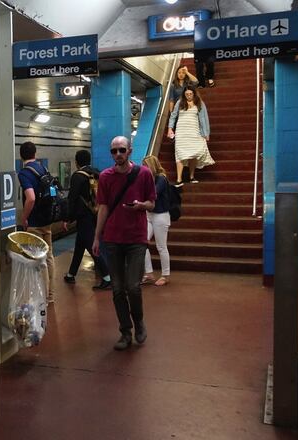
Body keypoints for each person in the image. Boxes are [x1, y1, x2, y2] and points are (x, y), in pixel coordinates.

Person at [92, 136, 156, 351]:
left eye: (121, 150)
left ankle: (138, 321)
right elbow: (103, 208)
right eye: (113, 151)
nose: (117, 154)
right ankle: (125, 331)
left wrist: (141, 206)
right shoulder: (105, 177)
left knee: (133, 287)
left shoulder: (144, 174)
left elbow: (152, 202)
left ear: (130, 151)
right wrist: (96, 237)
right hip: (113, 239)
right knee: (118, 289)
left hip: (136, 238)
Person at [64, 149, 111, 290]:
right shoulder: (97, 173)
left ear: (76, 162)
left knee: (91, 246)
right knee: (80, 245)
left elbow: (72, 199)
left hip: (83, 216)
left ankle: (107, 277)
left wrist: (67, 218)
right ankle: (71, 274)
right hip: (96, 214)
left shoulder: (77, 176)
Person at [17, 141, 57, 303]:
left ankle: (42, 296)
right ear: (35, 154)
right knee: (49, 257)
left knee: (38, 260)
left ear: (21, 156)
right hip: (47, 219)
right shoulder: (43, 168)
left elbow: (31, 198)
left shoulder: (24, 173)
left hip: (34, 222)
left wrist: (24, 217)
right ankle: (51, 295)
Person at [167, 84, 215, 187]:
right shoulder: (180, 103)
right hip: (181, 132)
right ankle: (179, 179)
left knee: (193, 154)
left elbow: (204, 119)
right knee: (179, 154)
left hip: (194, 131)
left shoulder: (199, 103)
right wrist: (170, 128)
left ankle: (191, 177)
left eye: (190, 94)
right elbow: (173, 116)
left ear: (194, 93)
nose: (188, 96)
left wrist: (206, 133)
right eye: (187, 94)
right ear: (184, 94)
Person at [141, 155, 172, 287]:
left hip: (161, 215)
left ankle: (165, 275)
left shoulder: (161, 178)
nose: (144, 168)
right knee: (141, 242)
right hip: (149, 214)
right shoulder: (147, 179)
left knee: (161, 246)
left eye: (146, 165)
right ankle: (148, 273)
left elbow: (153, 193)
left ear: (152, 166)